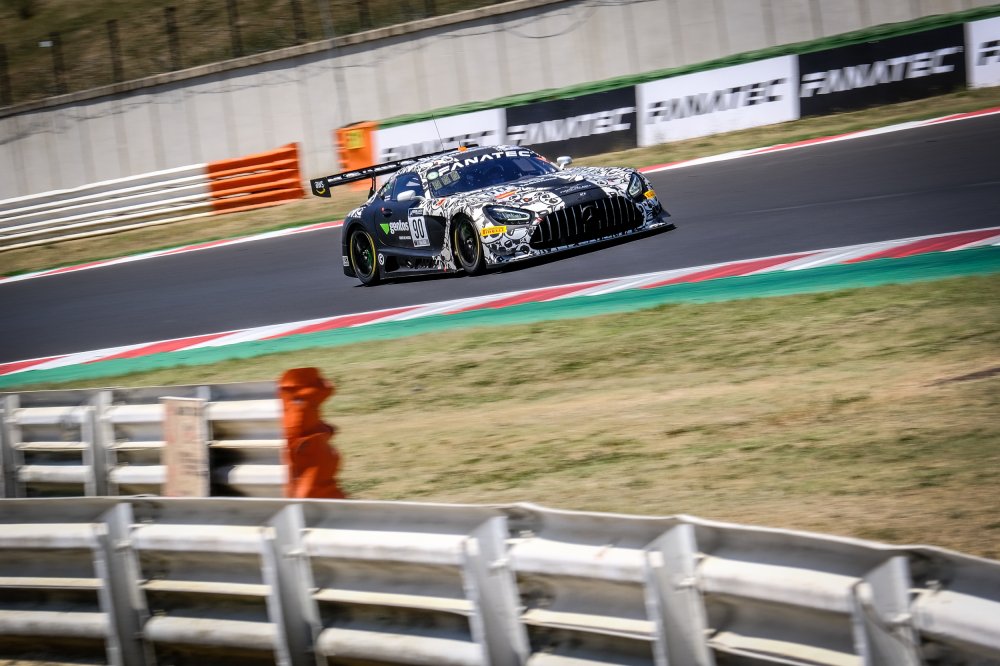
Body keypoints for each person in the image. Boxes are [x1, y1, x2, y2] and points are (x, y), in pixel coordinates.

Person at [278, 367, 346, 499]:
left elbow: (304, 424)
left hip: (301, 447)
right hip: (306, 448)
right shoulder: (306, 393)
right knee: (315, 490)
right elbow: (327, 388)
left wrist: (325, 430)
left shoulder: (287, 396)